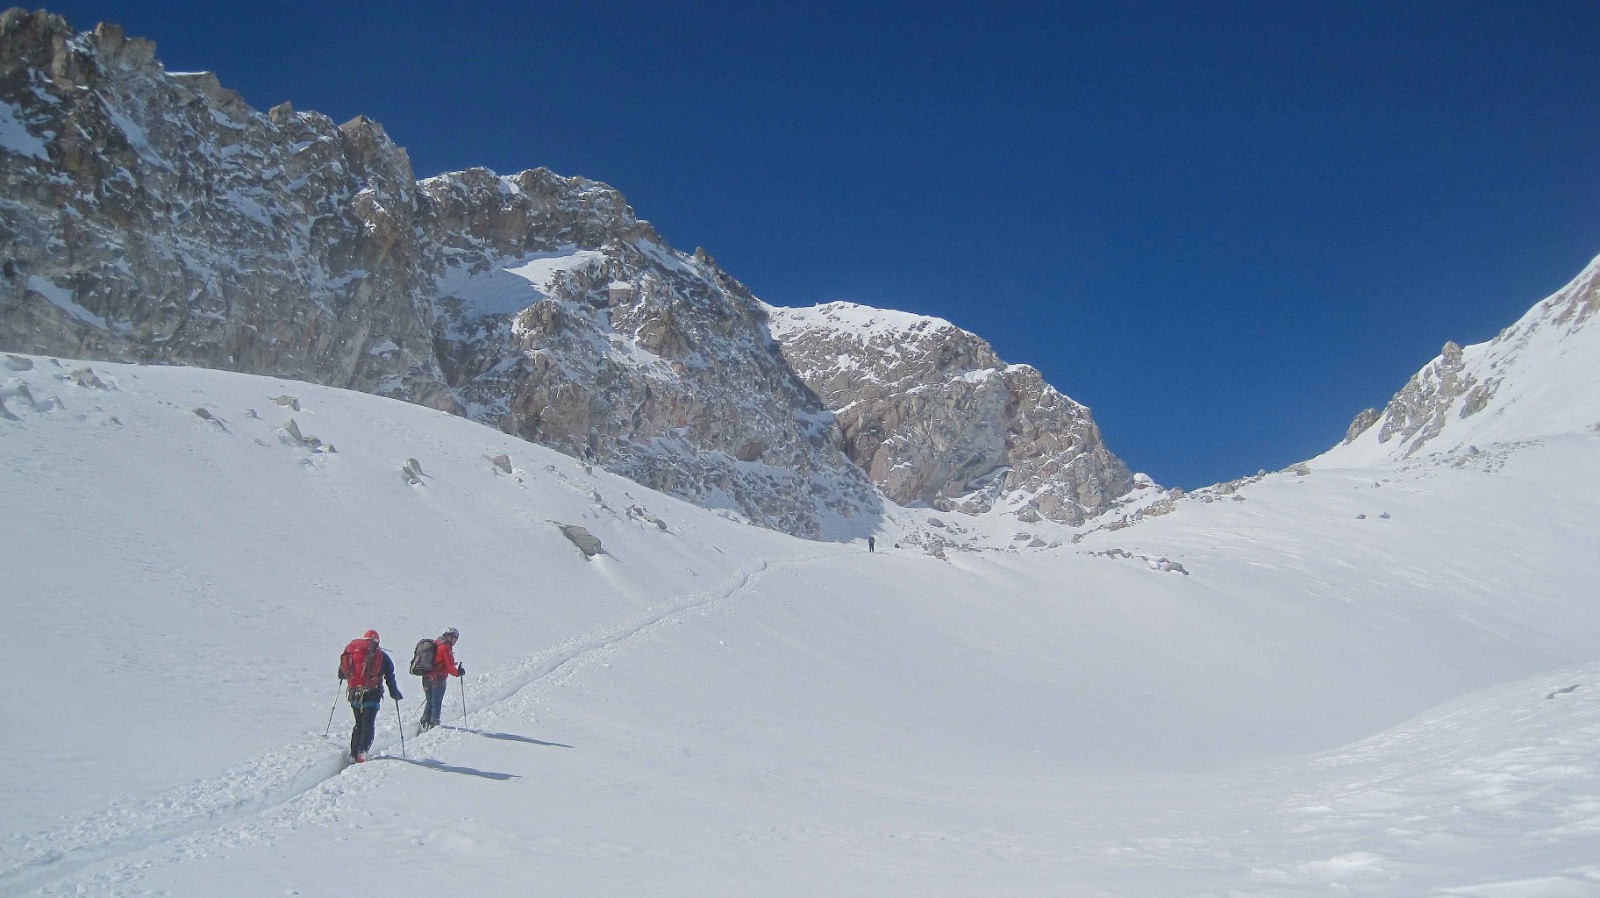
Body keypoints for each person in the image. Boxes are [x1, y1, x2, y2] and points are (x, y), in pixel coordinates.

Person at [338, 629, 401, 762]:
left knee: (358, 724)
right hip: (372, 693)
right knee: (368, 723)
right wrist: (394, 692)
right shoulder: (382, 656)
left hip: (354, 693)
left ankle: (353, 754)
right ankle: (362, 752)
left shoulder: (351, 652)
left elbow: (341, 673)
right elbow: (390, 676)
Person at [419, 627, 464, 732]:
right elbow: (450, 667)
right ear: (450, 637)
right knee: (436, 702)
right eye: (455, 638)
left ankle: (423, 724)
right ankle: (433, 724)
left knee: (429, 701)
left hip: (426, 677)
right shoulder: (446, 648)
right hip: (438, 679)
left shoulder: (435, 644)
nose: (455, 641)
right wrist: (458, 672)